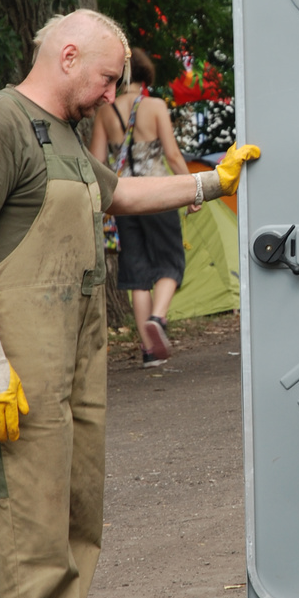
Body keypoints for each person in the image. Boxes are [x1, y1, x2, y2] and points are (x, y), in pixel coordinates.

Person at [0, 8, 258, 598]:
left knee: (77, 524)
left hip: (72, 358)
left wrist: (211, 182)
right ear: (70, 54)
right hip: (12, 368)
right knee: (28, 533)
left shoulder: (70, 136)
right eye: (109, 77)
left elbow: (115, 197)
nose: (114, 92)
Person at [89, 48, 188, 364]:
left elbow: (95, 159)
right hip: (158, 193)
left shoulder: (106, 112)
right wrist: (192, 189)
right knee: (171, 262)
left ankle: (149, 351)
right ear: (146, 77)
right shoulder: (155, 106)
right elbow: (172, 155)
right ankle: (157, 319)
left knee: (138, 271)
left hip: (125, 198)